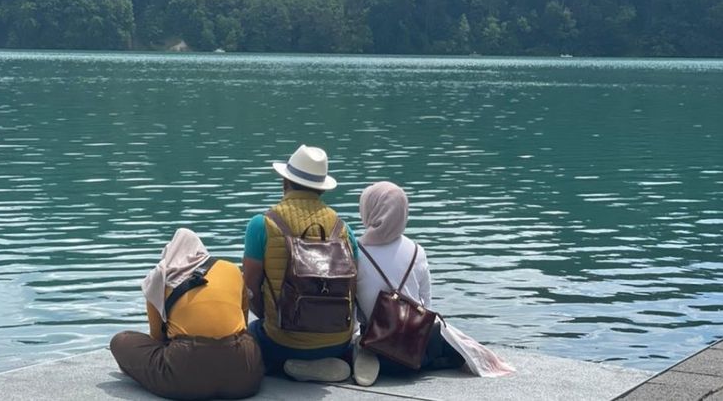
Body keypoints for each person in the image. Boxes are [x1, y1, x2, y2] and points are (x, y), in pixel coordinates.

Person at [353, 181, 514, 386]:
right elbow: (427, 305)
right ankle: (437, 359)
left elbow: (351, 309)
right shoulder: (417, 251)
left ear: (369, 210)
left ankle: (365, 358)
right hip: (417, 350)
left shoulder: (356, 254)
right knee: (445, 335)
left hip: (378, 348)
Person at [242, 144, 359, 382]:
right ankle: (336, 359)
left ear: (285, 182)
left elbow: (249, 289)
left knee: (253, 334)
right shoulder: (344, 229)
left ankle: (286, 364)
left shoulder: (262, 224)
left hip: (281, 341)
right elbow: (352, 287)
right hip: (337, 341)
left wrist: (269, 317)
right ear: (321, 190)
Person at [110, 228, 264, 400]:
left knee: (120, 340)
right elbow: (243, 325)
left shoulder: (160, 278)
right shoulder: (232, 269)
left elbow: (158, 339)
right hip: (244, 376)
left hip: (185, 378)